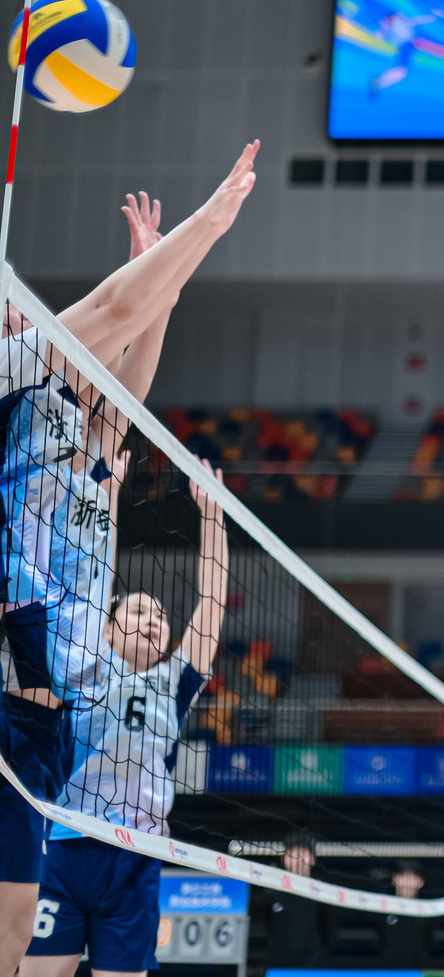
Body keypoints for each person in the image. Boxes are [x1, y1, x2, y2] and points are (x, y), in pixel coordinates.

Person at [1, 152, 255, 977]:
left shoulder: (80, 447)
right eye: (12, 306)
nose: (22, 312)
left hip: (47, 721)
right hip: (14, 681)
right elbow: (114, 314)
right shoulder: (16, 393)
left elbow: (128, 387)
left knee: (12, 939)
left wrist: (162, 288)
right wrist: (198, 232)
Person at [23, 460, 229, 977]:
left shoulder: (176, 680)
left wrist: (213, 518)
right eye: (139, 611)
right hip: (64, 842)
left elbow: (211, 602)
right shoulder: (87, 664)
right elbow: (97, 577)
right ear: (110, 629)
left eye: (160, 615)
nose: (154, 620)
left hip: (135, 856)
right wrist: (109, 496)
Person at [265, 832, 333, 969]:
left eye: (303, 853)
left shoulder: (322, 892)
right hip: (280, 967)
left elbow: (329, 931)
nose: (298, 859)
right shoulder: (272, 894)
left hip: (312, 966)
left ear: (312, 859)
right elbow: (269, 928)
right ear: (283, 859)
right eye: (292, 853)